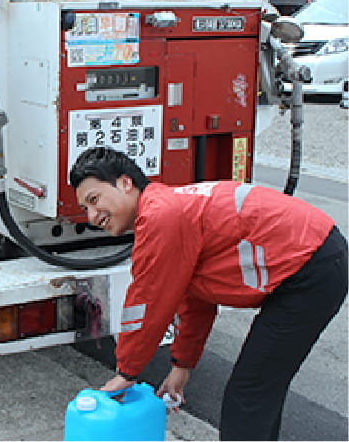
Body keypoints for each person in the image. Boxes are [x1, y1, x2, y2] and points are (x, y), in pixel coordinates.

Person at [69, 146, 347, 441]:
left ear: (126, 183)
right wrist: (182, 364)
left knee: (250, 392)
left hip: (310, 269)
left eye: (94, 200)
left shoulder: (160, 217)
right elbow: (194, 299)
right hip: (315, 262)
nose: (92, 215)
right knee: (259, 391)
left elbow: (146, 304)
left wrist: (126, 373)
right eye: (86, 208)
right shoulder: (170, 209)